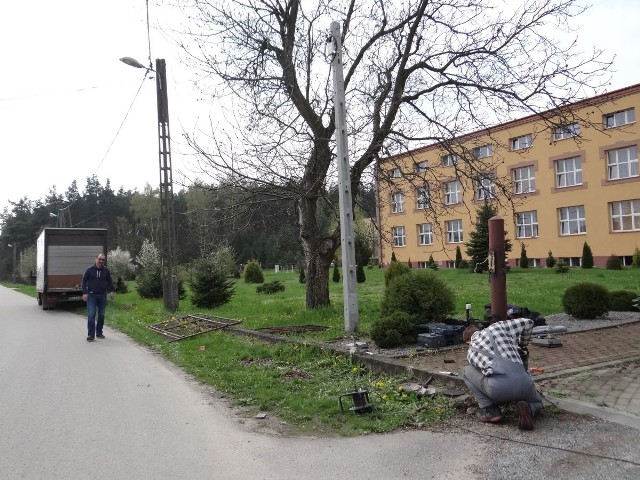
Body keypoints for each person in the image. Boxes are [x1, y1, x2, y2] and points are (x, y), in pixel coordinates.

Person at [462, 315, 543, 430]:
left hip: (500, 391)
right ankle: (529, 408)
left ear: (468, 342)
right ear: (478, 331)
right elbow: (529, 322)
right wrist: (522, 344)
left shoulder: (471, 353)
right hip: (525, 384)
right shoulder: (497, 327)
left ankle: (490, 410)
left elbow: (484, 374)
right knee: (538, 402)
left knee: (466, 371)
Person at [81, 253, 115, 342]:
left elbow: (109, 281)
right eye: (99, 259)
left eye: (103, 260)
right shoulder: (89, 270)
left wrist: (112, 291)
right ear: (95, 259)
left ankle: (99, 333)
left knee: (101, 315)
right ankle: (91, 335)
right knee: (91, 314)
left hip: (102, 296)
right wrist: (85, 293)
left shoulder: (106, 271)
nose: (101, 261)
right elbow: (84, 282)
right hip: (91, 296)